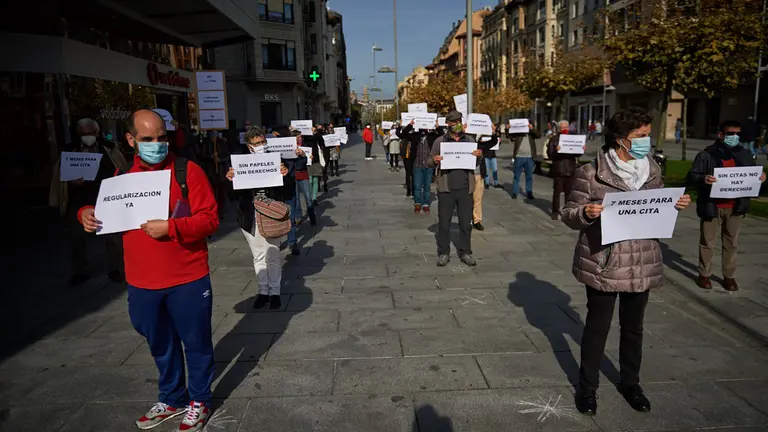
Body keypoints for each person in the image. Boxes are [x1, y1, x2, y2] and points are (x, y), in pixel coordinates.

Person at [79, 109, 219, 431]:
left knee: (196, 342)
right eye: (147, 139)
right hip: (142, 282)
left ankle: (199, 400)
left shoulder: (188, 171)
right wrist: (85, 213)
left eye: (161, 137)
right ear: (131, 140)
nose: (157, 144)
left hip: (188, 278)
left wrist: (172, 227)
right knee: (160, 343)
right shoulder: (121, 177)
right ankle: (172, 397)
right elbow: (98, 212)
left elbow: (210, 218)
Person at [561, 107, 691, 416]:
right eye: (641, 136)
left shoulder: (652, 168)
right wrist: (585, 213)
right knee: (597, 328)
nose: (647, 140)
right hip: (604, 261)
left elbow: (657, 203)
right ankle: (588, 388)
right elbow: (568, 213)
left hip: (642, 260)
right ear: (621, 140)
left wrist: (676, 203)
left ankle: (631, 384)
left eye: (648, 134)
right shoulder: (591, 172)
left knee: (634, 328)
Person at [50, 117, 129, 285]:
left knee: (113, 238)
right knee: (77, 239)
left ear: (97, 132)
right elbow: (60, 178)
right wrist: (70, 182)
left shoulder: (109, 148)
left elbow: (122, 168)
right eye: (84, 133)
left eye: (91, 133)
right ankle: (80, 271)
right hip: (79, 200)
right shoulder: (70, 150)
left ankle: (115, 269)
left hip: (107, 199)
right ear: (78, 134)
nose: (88, 136)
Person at [688, 120, 766, 291]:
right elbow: (693, 176)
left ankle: (729, 276)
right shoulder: (707, 154)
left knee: (731, 242)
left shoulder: (745, 154)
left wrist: (761, 178)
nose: (735, 137)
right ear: (721, 134)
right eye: (730, 133)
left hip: (735, 206)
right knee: (707, 242)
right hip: (712, 205)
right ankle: (704, 274)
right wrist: (703, 179)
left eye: (738, 134)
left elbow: (753, 176)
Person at [227, 126, 297, 308]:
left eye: (263, 142)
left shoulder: (277, 160)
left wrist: (286, 175)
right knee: (258, 256)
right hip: (249, 215)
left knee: (272, 254)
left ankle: (275, 292)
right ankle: (263, 291)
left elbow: (289, 192)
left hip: (271, 214)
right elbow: (232, 196)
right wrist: (230, 179)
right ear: (249, 146)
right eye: (256, 143)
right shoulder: (239, 164)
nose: (260, 146)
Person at [428, 110, 482, 267]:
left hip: (465, 189)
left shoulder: (470, 140)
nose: (457, 124)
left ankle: (466, 252)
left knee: (466, 224)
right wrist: (435, 160)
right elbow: (429, 161)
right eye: (454, 122)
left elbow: (477, 163)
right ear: (448, 124)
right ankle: (444, 252)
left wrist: (479, 156)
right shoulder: (440, 141)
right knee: (444, 224)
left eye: (459, 121)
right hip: (446, 189)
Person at [547, 120, 581, 220]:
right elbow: (550, 154)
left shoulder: (573, 139)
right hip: (559, 169)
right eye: (563, 127)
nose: (565, 129)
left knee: (569, 192)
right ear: (559, 128)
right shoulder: (554, 139)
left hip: (570, 169)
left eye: (566, 127)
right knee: (557, 192)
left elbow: (577, 154)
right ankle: (555, 211)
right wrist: (557, 151)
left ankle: (567, 211)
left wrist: (581, 149)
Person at [510, 121, 541, 199]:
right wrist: (508, 129)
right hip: (518, 156)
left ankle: (529, 192)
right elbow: (509, 136)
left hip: (529, 157)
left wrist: (532, 129)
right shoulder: (518, 132)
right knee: (517, 175)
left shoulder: (531, 133)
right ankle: (515, 192)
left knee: (529, 176)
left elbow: (539, 135)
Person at [292, 130, 317, 226]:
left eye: (300, 136)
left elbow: (306, 161)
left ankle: (312, 217)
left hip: (303, 174)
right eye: (298, 137)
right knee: (297, 198)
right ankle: (298, 217)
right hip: (294, 175)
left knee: (308, 196)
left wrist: (308, 157)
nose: (300, 138)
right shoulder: (290, 148)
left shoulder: (305, 146)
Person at [397, 120, 422, 197]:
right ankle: (409, 189)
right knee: (408, 173)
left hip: (415, 156)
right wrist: (400, 126)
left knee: (414, 173)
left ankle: (414, 189)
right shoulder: (406, 135)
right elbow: (399, 134)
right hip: (407, 156)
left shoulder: (416, 135)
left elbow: (405, 133)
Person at [482, 125, 501, 189]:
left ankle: (496, 183)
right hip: (486, 155)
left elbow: (496, 143)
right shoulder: (484, 135)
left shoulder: (494, 134)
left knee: (495, 169)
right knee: (486, 170)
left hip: (493, 155)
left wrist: (499, 142)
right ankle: (486, 183)